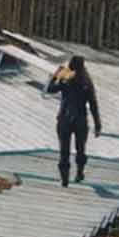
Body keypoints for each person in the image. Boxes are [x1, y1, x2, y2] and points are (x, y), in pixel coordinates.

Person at [46, 56, 102, 187]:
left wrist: (56, 75)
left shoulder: (66, 79)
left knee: (64, 150)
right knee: (80, 149)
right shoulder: (87, 82)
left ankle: (64, 180)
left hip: (64, 118)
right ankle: (79, 173)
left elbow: (50, 89)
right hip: (80, 120)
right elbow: (93, 104)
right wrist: (97, 124)